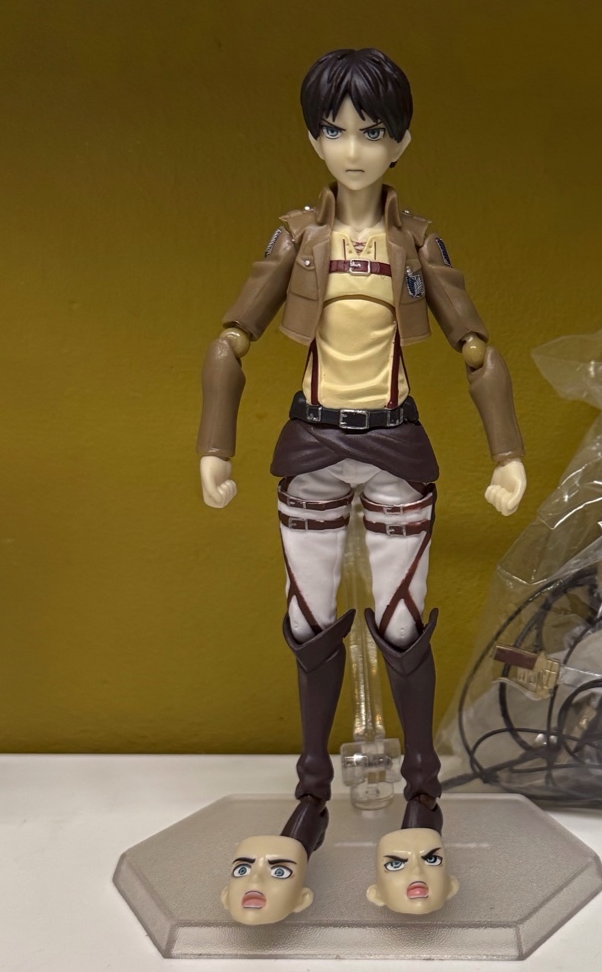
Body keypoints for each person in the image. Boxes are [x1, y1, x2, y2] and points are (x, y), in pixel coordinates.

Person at [198, 48, 525, 919]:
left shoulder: (416, 242)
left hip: (395, 447)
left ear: (400, 141)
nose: (352, 149)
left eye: (371, 131)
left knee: (402, 629)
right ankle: (310, 792)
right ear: (314, 138)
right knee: (309, 628)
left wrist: (506, 454)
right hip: (309, 444)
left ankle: (422, 791)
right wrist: (215, 446)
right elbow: (231, 338)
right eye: (335, 130)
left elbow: (475, 346)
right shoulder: (295, 238)